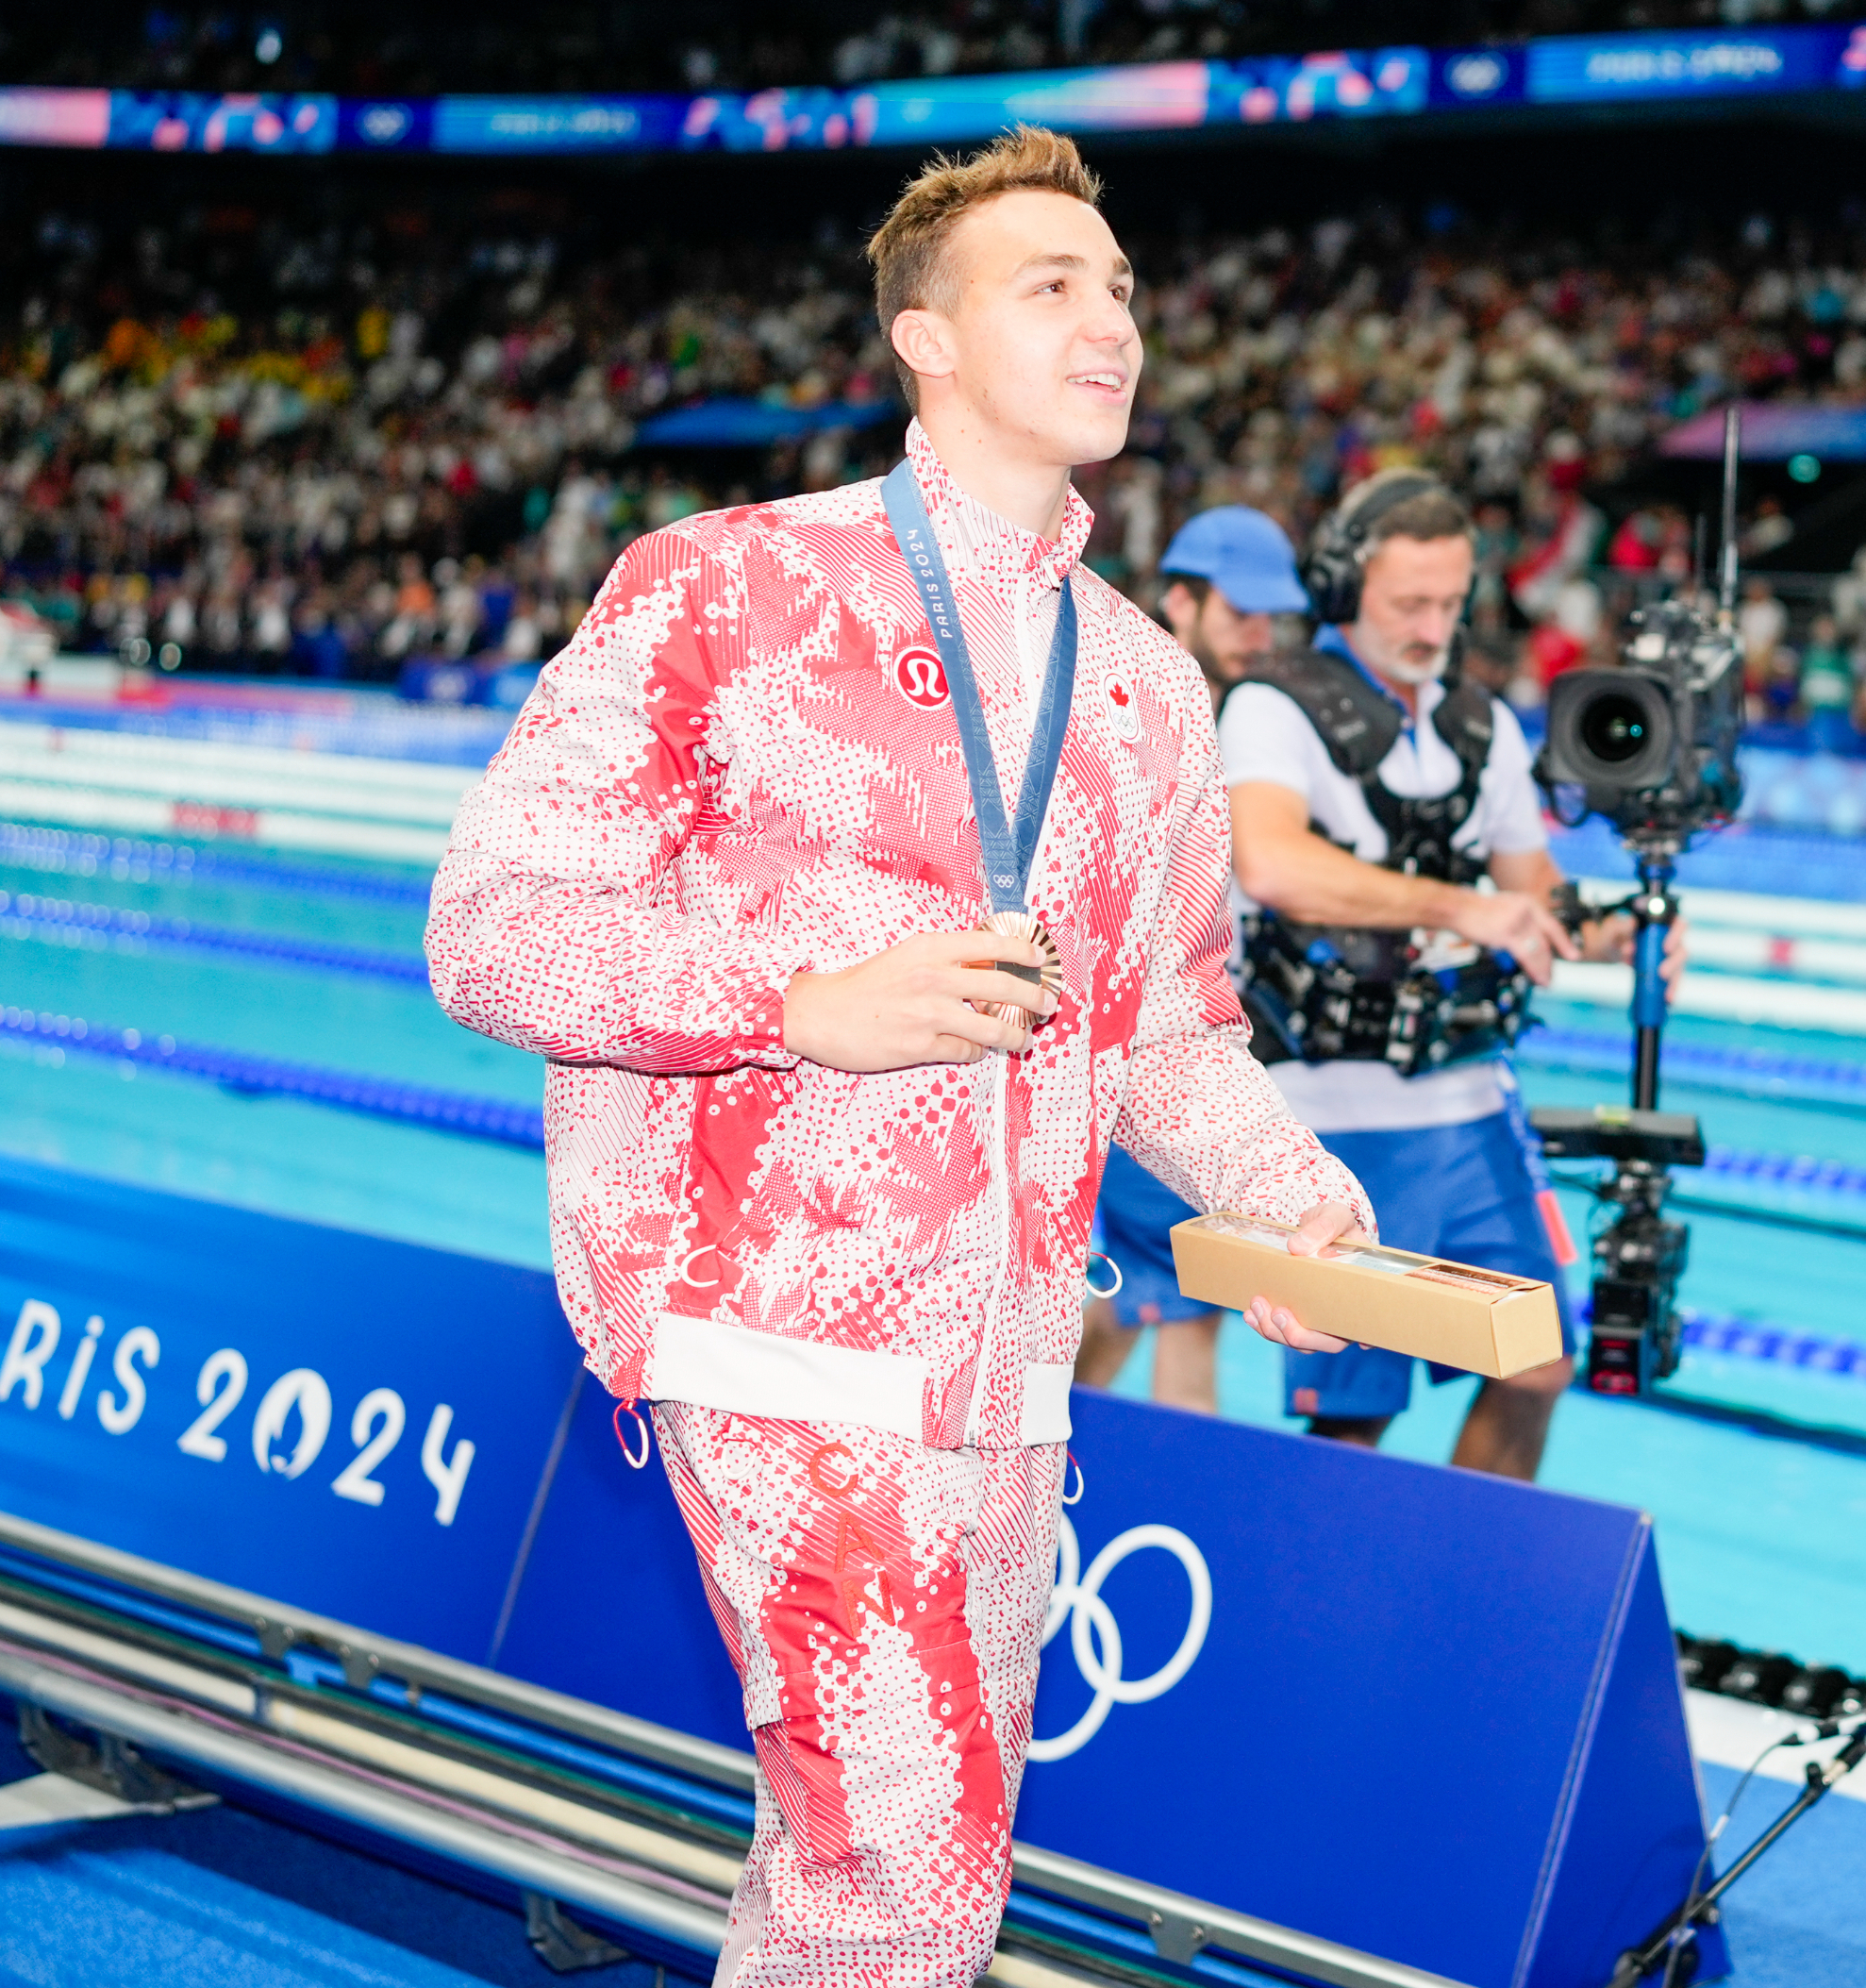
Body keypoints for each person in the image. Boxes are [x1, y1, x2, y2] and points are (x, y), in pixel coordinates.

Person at [425, 128, 1372, 1987]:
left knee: (882, 1866)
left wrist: (1287, 1195)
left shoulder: (1144, 685)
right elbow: (488, 923)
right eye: (1051, 285)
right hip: (772, 1320)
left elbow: (1162, 1032)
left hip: (1005, 1358)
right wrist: (795, 1005)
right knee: (905, 1855)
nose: (1110, 322)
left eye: (1118, 289)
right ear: (924, 340)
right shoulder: (724, 589)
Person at [1221, 470, 1676, 1481]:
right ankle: (1331, 1607)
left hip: (1468, 1107)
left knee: (1536, 1366)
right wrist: (1462, 907)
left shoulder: (1480, 724)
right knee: (1353, 1421)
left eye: (1449, 604)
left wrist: (1617, 935)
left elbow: (1534, 894)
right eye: (1406, 605)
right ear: (1343, 591)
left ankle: (1461, 1581)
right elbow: (1271, 863)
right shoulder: (1271, 707)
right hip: (1330, 1116)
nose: (1432, 627)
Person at [1077, 503, 1309, 1414]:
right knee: (1186, 1313)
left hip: (1192, 1048)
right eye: (1239, 612)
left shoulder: (1261, 725)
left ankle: (1040, 1477)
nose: (1259, 634)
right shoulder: (1130, 715)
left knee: (1122, 1314)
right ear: (1180, 599)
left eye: (1270, 615)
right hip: (1153, 1053)